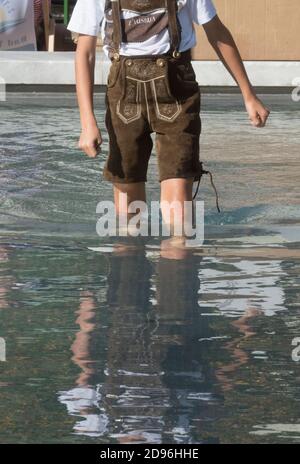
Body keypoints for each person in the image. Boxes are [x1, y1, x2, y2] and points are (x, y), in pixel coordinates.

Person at [67, 0, 270, 230]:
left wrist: (248, 94)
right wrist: (87, 122)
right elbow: (84, 53)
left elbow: (216, 31)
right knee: (127, 215)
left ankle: (179, 253)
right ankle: (130, 257)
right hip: (124, 99)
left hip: (177, 93)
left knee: (179, 214)